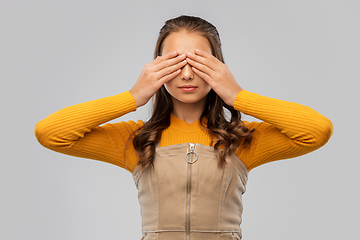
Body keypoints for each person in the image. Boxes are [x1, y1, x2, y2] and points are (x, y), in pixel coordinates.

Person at [35, 15, 333, 240]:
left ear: (218, 65)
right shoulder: (137, 139)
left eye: (199, 61)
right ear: (157, 66)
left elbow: (316, 130)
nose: (187, 74)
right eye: (175, 62)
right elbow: (50, 133)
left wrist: (236, 95)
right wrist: (134, 96)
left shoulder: (240, 140)